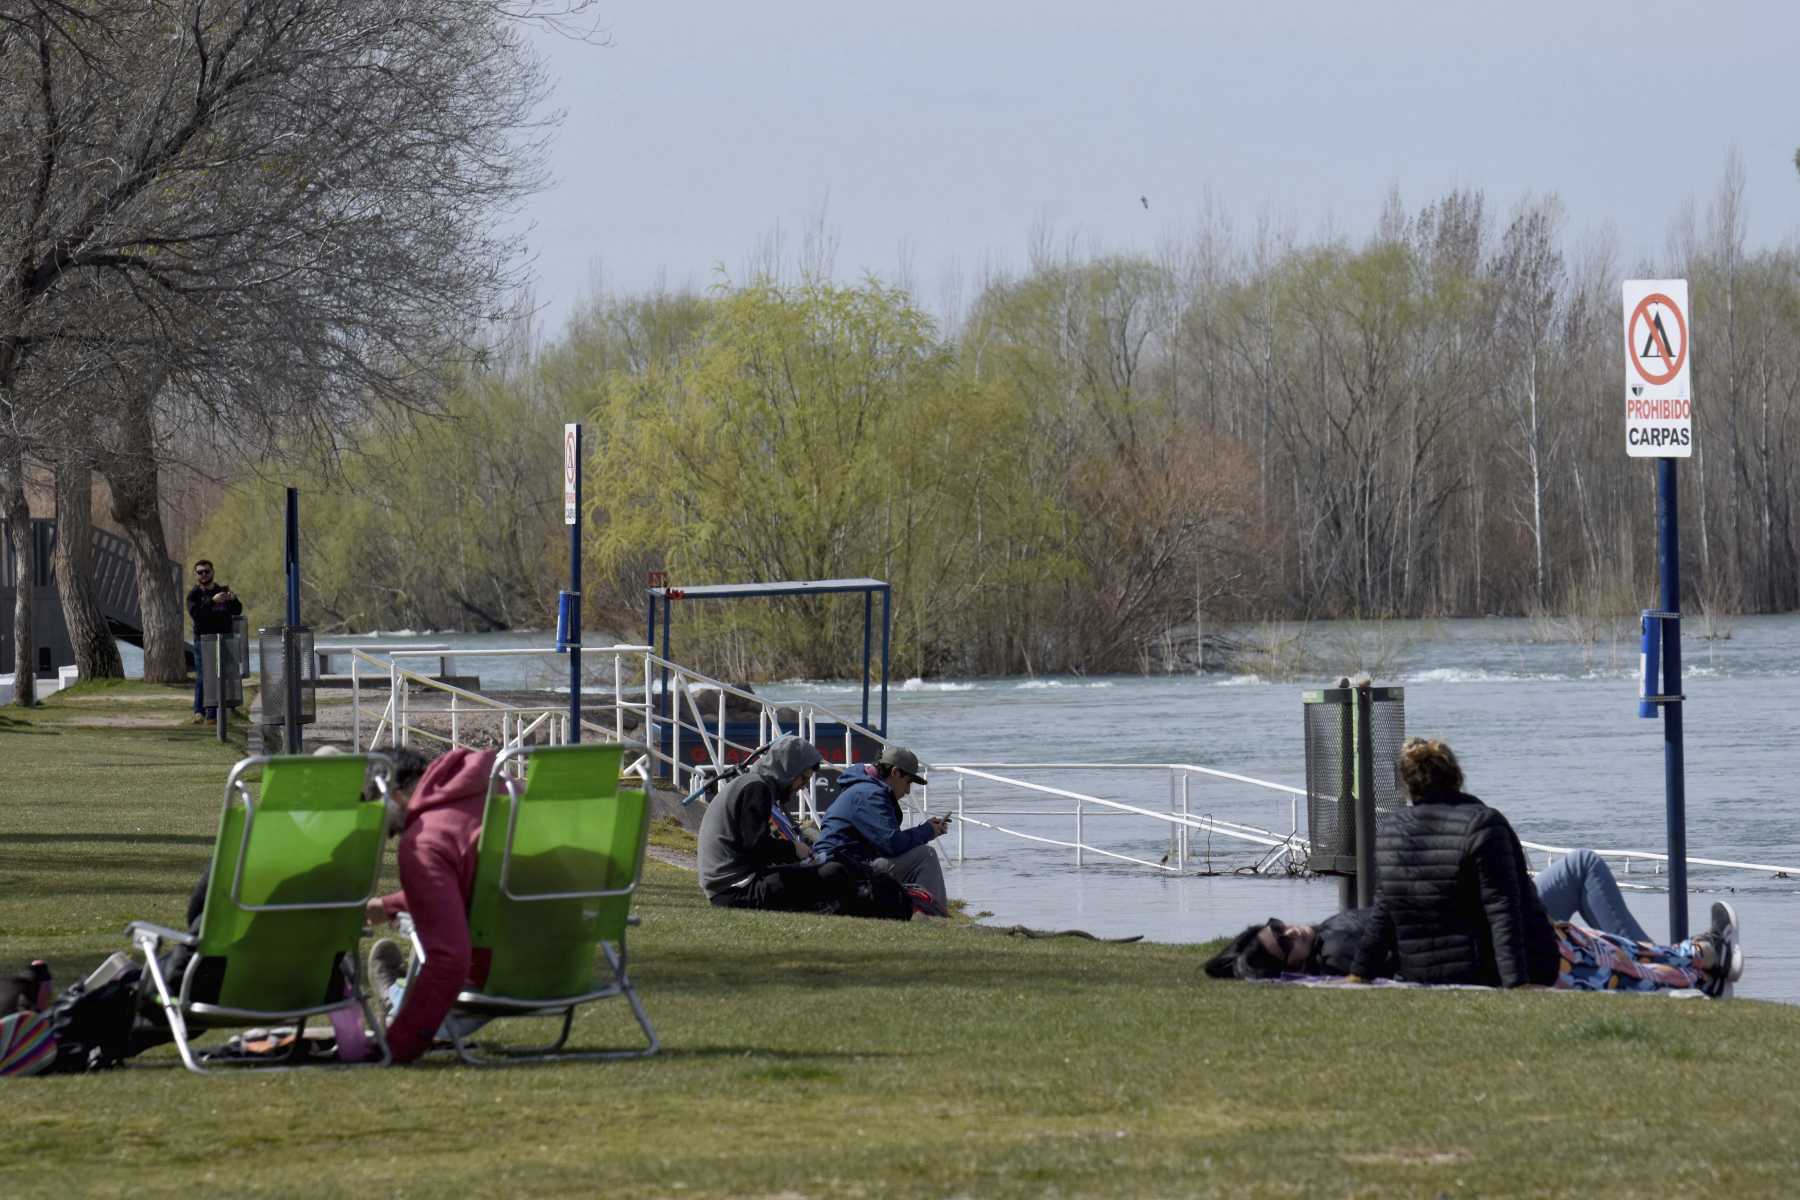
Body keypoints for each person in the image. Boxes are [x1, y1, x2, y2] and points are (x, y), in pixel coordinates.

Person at [1340, 737, 1741, 996]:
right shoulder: (1483, 824)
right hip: (1512, 963)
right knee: (1618, 957)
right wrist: (1518, 986)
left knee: (1614, 952)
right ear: (1457, 779)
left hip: (1429, 970)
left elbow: (1384, 912)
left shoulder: (1390, 831)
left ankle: (1705, 962)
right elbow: (1503, 913)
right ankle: (1704, 958)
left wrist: (1360, 974)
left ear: (1411, 788)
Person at [1206, 846, 1655, 981]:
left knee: (1578, 871)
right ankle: (1654, 956)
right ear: (1291, 965)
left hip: (1481, 918)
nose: (1290, 931)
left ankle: (1656, 955)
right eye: (1284, 943)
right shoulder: (1339, 950)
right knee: (1582, 867)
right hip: (1490, 928)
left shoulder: (1327, 935)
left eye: (1277, 926)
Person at [362, 746, 492, 1063]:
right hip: (568, 968)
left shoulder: (423, 842)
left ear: (388, 792)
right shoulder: (507, 790)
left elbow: (449, 961)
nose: (391, 838)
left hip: (495, 981)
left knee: (426, 933)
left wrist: (396, 1047)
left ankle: (397, 996)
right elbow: (487, 882)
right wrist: (389, 905)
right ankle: (401, 991)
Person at [697, 735, 879, 915]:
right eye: (803, 779)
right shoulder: (756, 789)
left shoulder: (752, 783)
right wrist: (794, 849)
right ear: (788, 771)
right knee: (832, 872)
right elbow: (756, 847)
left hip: (732, 885)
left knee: (825, 871)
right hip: (735, 891)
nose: (803, 786)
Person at [812, 744, 952, 916]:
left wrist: (926, 830)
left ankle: (918, 910)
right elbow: (892, 844)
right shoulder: (870, 794)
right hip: (845, 870)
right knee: (925, 856)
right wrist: (926, 831)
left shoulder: (864, 788)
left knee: (917, 855)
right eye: (908, 783)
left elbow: (889, 843)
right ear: (895, 773)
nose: (908, 791)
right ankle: (933, 915)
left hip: (844, 863)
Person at [185, 559, 243, 723]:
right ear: (196, 575)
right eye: (200, 572)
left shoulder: (223, 590)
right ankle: (200, 711)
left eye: (207, 571)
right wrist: (213, 601)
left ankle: (216, 712)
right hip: (203, 640)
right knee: (204, 676)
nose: (204, 575)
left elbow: (237, 610)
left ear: (213, 572)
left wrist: (233, 599)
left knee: (222, 676)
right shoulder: (194, 594)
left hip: (223, 639)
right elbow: (196, 614)